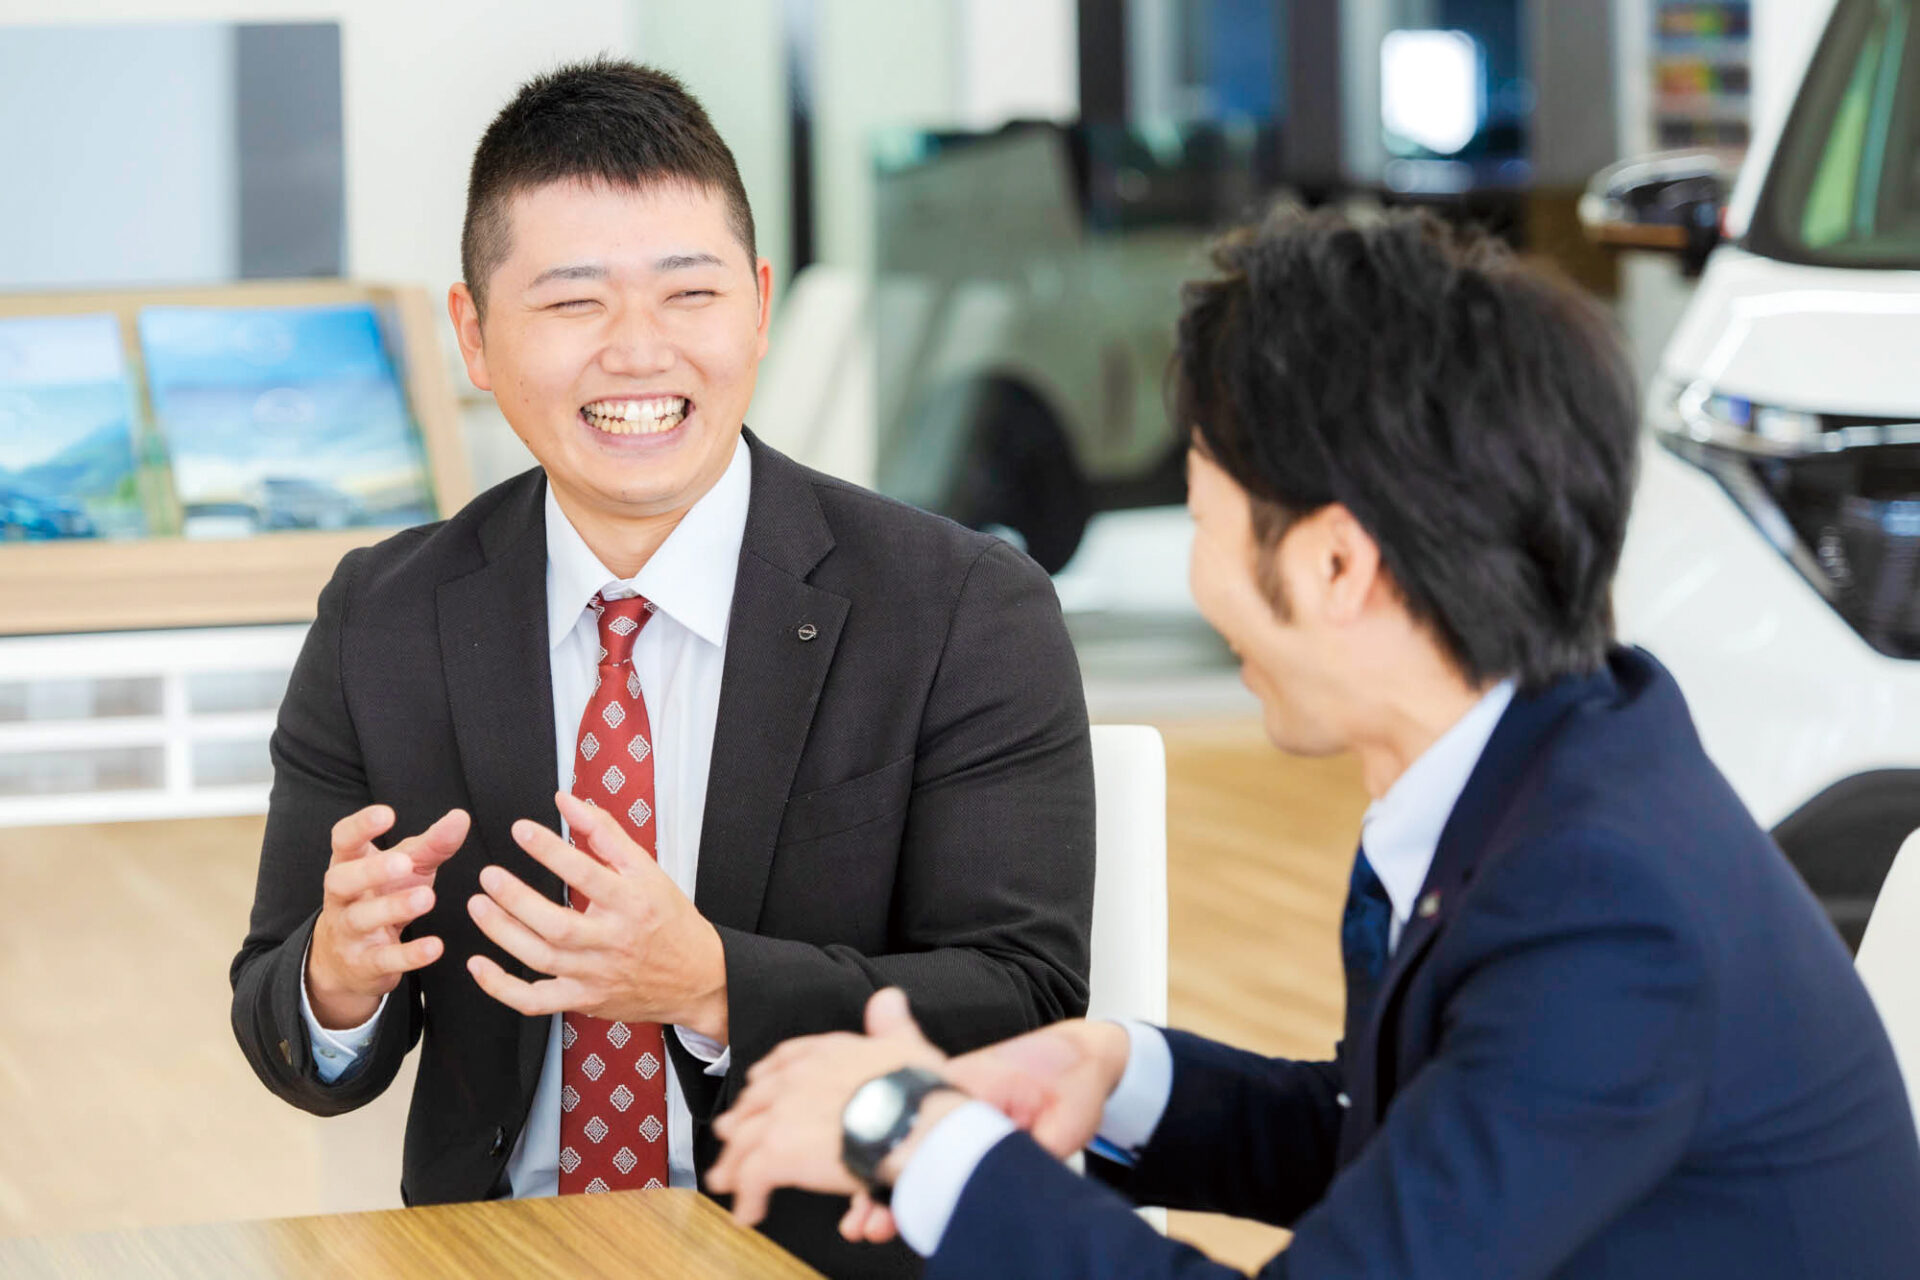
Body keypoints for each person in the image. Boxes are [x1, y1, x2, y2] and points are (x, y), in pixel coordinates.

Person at [703, 208, 1920, 1278]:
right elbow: (1397, 1130)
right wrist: (1117, 1069)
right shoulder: (1536, 763)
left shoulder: (1607, 906)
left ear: (1337, 563)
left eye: (1205, 520)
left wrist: (913, 1137)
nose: (1199, 576)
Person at [229, 59, 1093, 1280]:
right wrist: (338, 977)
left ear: (757, 304)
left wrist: (712, 982)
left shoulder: (962, 608)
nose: (639, 353)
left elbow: (1026, 997)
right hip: (497, 1245)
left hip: (836, 1248)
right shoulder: (385, 615)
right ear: (472, 333)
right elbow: (281, 1022)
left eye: (688, 292)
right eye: (573, 303)